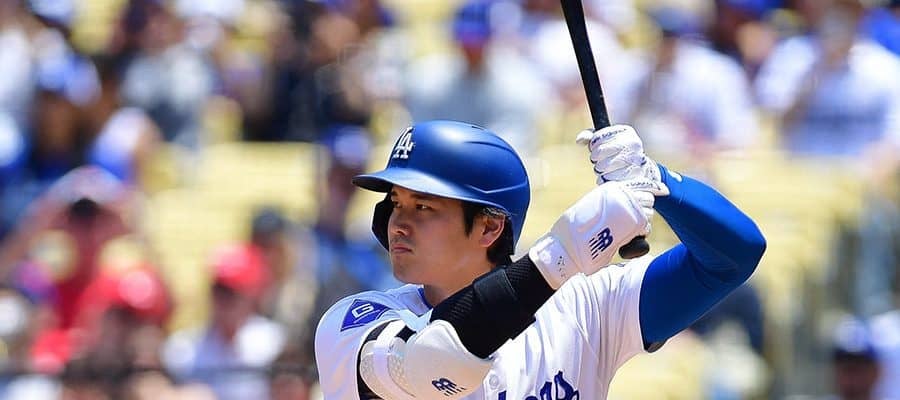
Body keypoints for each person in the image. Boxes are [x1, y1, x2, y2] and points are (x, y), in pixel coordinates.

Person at [314, 120, 766, 399]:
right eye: (395, 202)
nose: (398, 222)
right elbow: (430, 363)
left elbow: (735, 255)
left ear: (489, 228)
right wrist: (560, 256)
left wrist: (656, 181)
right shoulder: (353, 321)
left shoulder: (586, 305)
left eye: (424, 206)